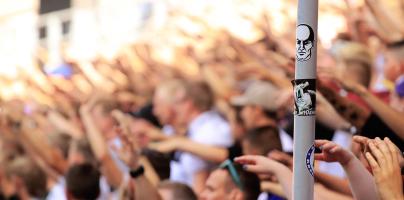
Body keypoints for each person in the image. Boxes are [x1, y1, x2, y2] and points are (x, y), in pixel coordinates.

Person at [169, 81, 233, 193]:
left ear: (189, 103)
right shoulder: (203, 128)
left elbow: (201, 188)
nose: (174, 109)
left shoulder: (208, 131)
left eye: (177, 102)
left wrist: (178, 143)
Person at [231, 80, 293, 152]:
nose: (242, 113)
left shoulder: (284, 143)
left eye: (245, 108)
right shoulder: (282, 137)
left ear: (257, 110)